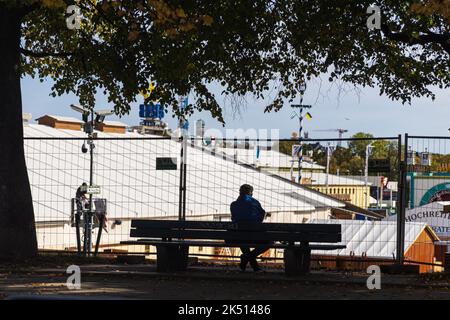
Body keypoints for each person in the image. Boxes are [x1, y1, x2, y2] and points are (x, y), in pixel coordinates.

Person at [230, 184, 270, 272]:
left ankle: (246, 261)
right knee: (269, 242)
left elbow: (234, 219)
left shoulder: (233, 205)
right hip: (253, 235)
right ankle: (248, 260)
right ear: (251, 193)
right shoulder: (255, 203)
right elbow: (260, 219)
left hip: (237, 237)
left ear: (240, 192)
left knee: (242, 240)